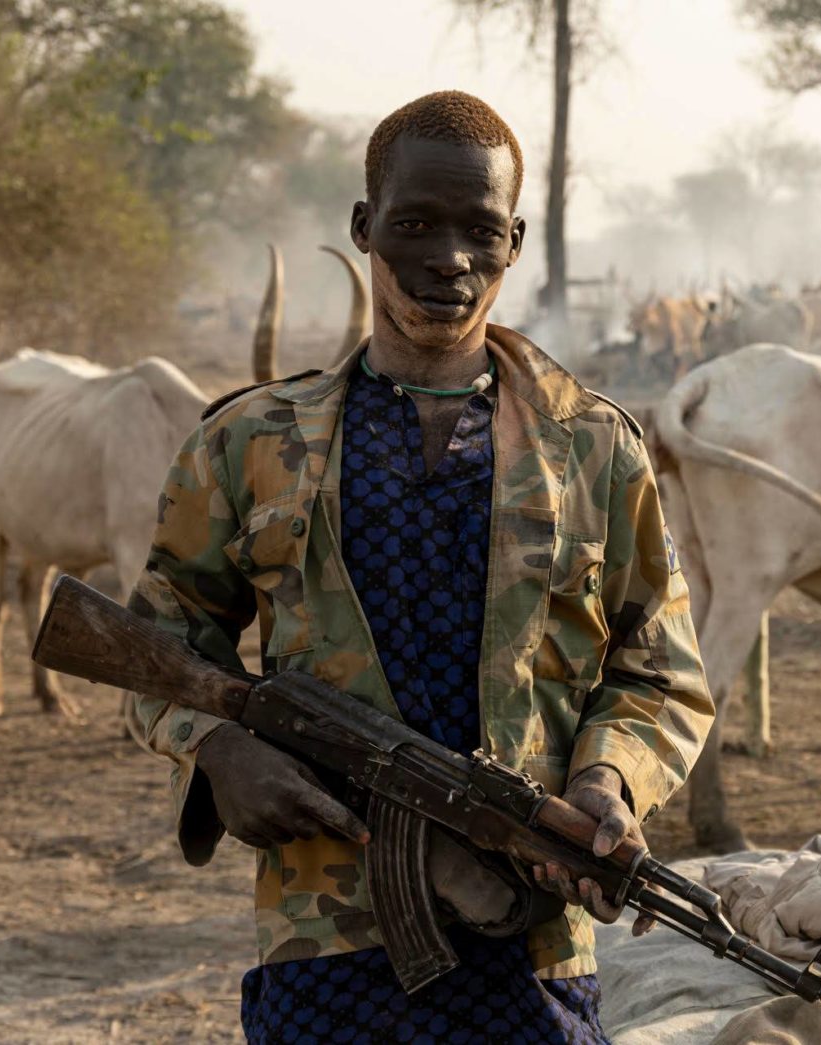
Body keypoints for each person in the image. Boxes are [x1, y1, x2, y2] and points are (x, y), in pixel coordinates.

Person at [126, 90, 713, 1043]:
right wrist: (218, 748)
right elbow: (158, 638)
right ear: (364, 227)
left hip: (528, 936)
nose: (448, 261)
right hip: (322, 935)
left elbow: (660, 672)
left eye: (481, 231)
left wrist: (608, 784)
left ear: (516, 242)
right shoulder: (250, 441)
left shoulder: (595, 449)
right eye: (415, 225)